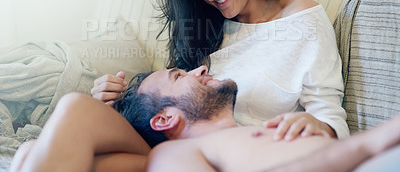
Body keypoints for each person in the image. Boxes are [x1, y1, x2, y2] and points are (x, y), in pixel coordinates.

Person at [92, 0, 349, 142]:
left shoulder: (299, 17)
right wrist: (113, 104)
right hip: (181, 154)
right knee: (82, 114)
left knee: (76, 114)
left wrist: (316, 126)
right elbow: (168, 109)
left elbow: (329, 116)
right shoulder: (205, 23)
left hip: (247, 155)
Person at [11, 66, 400, 172]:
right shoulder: (174, 157)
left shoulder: (245, 136)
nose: (199, 68)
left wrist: (320, 129)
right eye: (180, 77)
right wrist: (366, 144)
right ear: (164, 120)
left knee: (31, 151)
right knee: (74, 108)